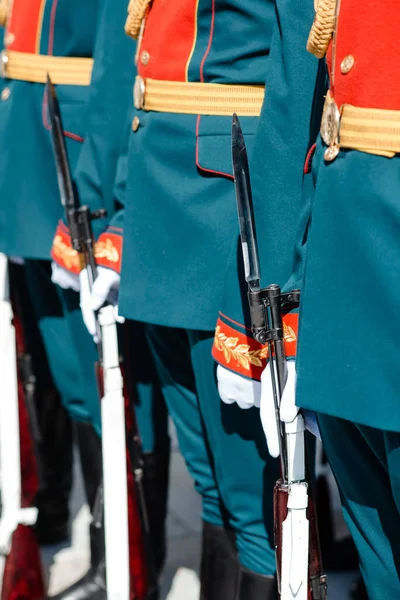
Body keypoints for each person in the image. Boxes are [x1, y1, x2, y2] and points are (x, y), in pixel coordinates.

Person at [76, 1, 318, 597]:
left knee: (251, 497)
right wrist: (122, 213)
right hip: (163, 206)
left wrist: (282, 258)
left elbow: (300, 73)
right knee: (209, 480)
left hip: (227, 207)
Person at [0, 1, 169, 598]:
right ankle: (107, 549)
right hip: (29, 140)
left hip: (74, 144)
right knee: (68, 373)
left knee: (114, 377)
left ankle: (129, 559)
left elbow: (119, 54)